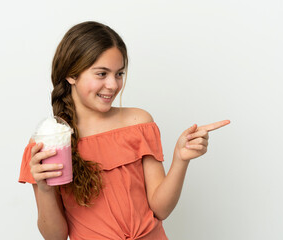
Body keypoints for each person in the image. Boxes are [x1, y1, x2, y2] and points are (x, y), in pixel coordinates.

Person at [19, 21, 230, 240]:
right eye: (101, 74)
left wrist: (180, 159)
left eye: (119, 74)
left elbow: (161, 209)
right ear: (71, 75)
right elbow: (55, 237)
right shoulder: (49, 142)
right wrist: (44, 190)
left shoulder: (138, 122)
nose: (113, 85)